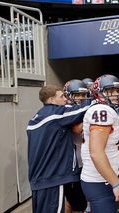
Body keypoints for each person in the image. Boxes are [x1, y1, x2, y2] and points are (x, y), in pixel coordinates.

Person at [27, 85, 96, 213]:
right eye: (61, 96)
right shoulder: (55, 114)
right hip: (52, 177)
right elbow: (82, 109)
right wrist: (97, 98)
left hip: (41, 178)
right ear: (51, 100)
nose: (65, 99)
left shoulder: (38, 117)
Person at [80, 74, 119, 213]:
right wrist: (116, 183)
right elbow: (96, 152)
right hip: (99, 181)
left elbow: (117, 115)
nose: (116, 95)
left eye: (118, 91)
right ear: (98, 93)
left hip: (100, 178)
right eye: (111, 91)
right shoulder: (102, 110)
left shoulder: (105, 109)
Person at [63, 79, 90, 213]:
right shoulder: (66, 111)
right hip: (73, 164)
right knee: (77, 201)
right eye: (77, 95)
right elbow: (75, 129)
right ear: (68, 95)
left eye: (83, 95)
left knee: (76, 199)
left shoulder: (82, 109)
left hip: (84, 160)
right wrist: (89, 116)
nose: (81, 98)